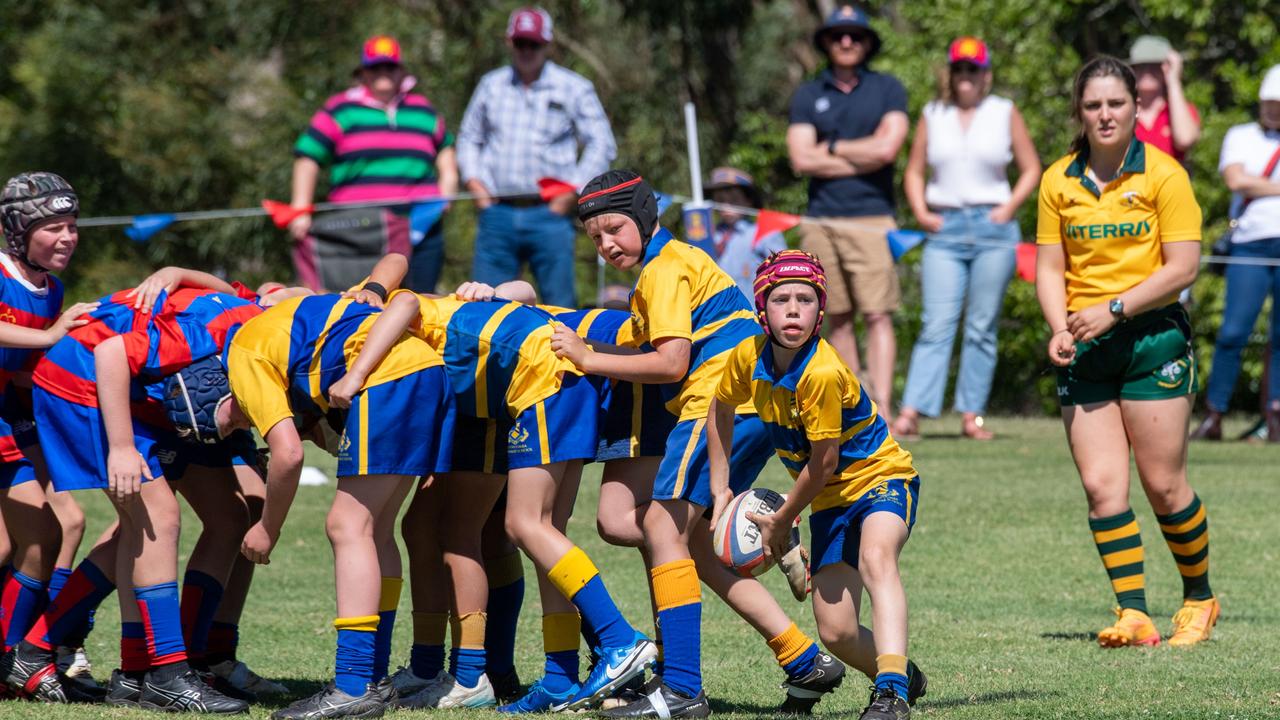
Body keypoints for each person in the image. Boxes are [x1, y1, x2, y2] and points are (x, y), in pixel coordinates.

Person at [554, 171, 842, 719]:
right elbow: (647, 342)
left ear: (641, 216)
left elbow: (670, 362)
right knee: (671, 537)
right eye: (595, 238)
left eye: (614, 228)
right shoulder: (672, 263)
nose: (607, 243)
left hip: (717, 401)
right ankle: (802, 657)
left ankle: (682, 689)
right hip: (746, 402)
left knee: (663, 529)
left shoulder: (663, 270)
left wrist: (587, 357)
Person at [331, 283, 655, 713]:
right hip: (564, 381)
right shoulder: (439, 323)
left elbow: (405, 298)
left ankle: (619, 640)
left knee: (524, 525)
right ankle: (560, 677)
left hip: (544, 380)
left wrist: (354, 375)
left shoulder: (397, 317)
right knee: (544, 537)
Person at [184, 272, 454, 720]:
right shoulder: (280, 325)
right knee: (376, 529)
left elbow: (287, 455)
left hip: (389, 378)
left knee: (346, 526)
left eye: (227, 422)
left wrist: (267, 529)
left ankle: (351, 686)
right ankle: (372, 677)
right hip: (426, 371)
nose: (238, 425)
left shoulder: (243, 354)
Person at [1036, 56, 1219, 649]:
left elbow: (1183, 268)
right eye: (1093, 105)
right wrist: (1056, 326)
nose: (1105, 114)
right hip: (1086, 347)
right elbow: (1048, 266)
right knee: (1103, 487)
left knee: (1164, 485)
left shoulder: (1164, 176)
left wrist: (1113, 309)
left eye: (1116, 103)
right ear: (1080, 113)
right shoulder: (1058, 180)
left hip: (1152, 339)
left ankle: (1199, 597)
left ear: (1137, 108)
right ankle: (1133, 614)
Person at [708, 250, 925, 720]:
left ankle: (891, 693)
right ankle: (904, 672)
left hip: (881, 478)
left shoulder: (821, 372)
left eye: (805, 299)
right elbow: (720, 408)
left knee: (876, 557)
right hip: (829, 500)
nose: (792, 309)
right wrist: (721, 487)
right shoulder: (747, 356)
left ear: (819, 311)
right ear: (761, 307)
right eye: (780, 298)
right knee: (836, 632)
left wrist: (782, 522)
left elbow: (824, 462)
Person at [893, 37, 1041, 441]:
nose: (965, 77)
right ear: (950, 73)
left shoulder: (1004, 112)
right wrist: (922, 212)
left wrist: (1008, 209)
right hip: (946, 228)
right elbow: (914, 171)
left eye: (973, 69)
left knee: (981, 326)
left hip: (994, 227)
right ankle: (911, 412)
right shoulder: (933, 113)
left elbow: (1031, 169)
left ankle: (971, 415)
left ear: (985, 74)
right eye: (959, 69)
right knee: (936, 322)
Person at [786, 5, 909, 418]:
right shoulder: (808, 93)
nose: (846, 42)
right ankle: (857, 409)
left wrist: (833, 148)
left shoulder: (887, 89)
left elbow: (888, 149)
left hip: (873, 218)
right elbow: (800, 158)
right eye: (838, 35)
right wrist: (862, 153)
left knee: (877, 314)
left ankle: (885, 408)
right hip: (821, 218)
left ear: (867, 42)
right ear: (825, 41)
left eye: (855, 35)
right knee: (836, 316)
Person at [456, 6, 617, 308]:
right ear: (509, 42)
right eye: (521, 43)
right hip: (497, 213)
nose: (527, 51)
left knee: (560, 307)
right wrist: (476, 186)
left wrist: (572, 192)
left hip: (550, 215)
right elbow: (468, 138)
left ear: (548, 45)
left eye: (534, 44)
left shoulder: (574, 87)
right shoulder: (491, 85)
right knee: (482, 305)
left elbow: (601, 143)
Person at [288, 35, 458, 293]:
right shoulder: (341, 109)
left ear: (401, 71)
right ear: (363, 72)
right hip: (362, 232)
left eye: (389, 67)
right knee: (362, 303)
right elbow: (308, 157)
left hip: (421, 226)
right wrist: (300, 209)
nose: (383, 73)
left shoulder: (422, 109)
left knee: (423, 302)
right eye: (375, 67)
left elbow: (445, 149)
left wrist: (447, 193)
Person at [1191, 65, 1280, 441]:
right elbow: (1235, 179)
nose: (1273, 110)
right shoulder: (1240, 136)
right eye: (1269, 103)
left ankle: (1274, 413)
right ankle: (1215, 413)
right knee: (1233, 331)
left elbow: (1247, 180)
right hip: (1249, 242)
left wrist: (1258, 185)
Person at [705, 167, 786, 302]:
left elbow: (783, 272)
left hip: (752, 314)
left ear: (748, 201)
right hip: (717, 315)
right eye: (720, 200)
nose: (726, 205)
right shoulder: (709, 236)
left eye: (734, 199)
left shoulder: (763, 233)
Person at [1128, 35, 1200, 164]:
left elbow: (1185, 140)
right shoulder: (1122, 110)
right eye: (1141, 66)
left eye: (1155, 65)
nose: (1147, 71)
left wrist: (1174, 80)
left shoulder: (1180, 109)